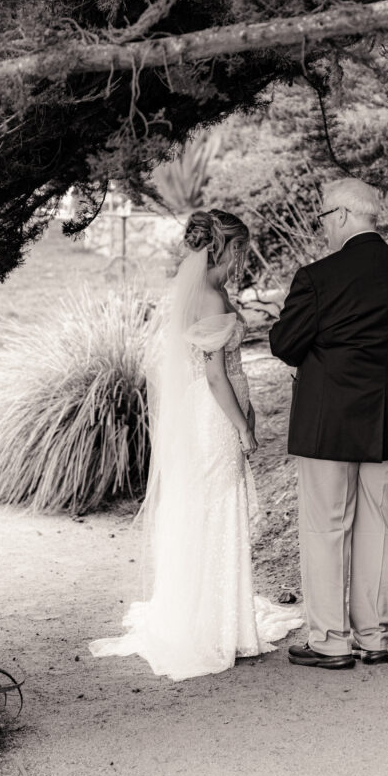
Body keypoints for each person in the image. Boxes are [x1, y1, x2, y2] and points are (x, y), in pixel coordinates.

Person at [90, 209, 303, 681]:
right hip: (212, 417)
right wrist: (242, 428)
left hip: (220, 409)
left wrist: (248, 411)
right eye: (243, 249)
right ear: (226, 247)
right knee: (216, 509)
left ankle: (225, 614)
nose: (246, 258)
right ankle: (213, 624)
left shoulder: (213, 289)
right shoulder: (208, 296)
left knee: (217, 509)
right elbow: (213, 374)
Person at [269, 179, 388, 670]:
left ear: (340, 216)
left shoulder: (318, 277)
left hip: (330, 422)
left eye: (322, 218)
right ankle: (373, 637)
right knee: (379, 526)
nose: (322, 227)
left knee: (326, 528)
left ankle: (329, 639)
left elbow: (284, 344)